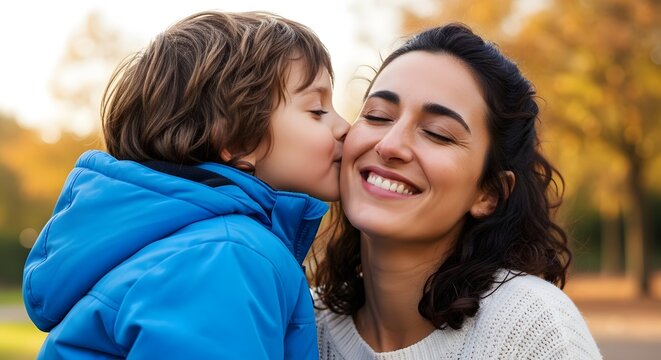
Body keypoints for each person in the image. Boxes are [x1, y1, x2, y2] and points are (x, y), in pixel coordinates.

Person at [23, 10, 348, 359]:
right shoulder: (227, 254)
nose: (345, 126)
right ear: (238, 140)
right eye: (317, 110)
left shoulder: (195, 243)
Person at [313, 24, 602, 359]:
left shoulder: (533, 329)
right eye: (377, 116)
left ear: (489, 193)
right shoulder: (296, 322)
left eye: (438, 134)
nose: (390, 145)